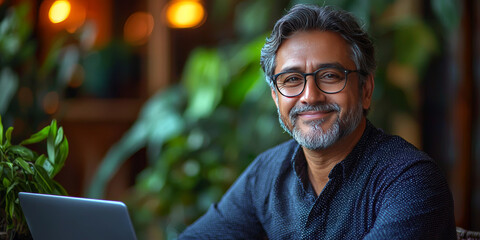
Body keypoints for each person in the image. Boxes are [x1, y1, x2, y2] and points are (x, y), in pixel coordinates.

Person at [179, 4, 456, 239]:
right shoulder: (266, 173)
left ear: (365, 90)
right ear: (276, 97)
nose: (310, 96)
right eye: (291, 80)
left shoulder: (410, 181)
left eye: (330, 76)